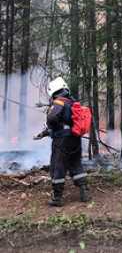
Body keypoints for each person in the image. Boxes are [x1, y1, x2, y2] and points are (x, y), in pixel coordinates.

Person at [34, 77, 90, 207]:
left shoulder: (59, 102)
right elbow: (66, 122)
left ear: (53, 91)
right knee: (75, 163)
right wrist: (44, 133)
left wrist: (49, 126)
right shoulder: (72, 102)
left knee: (57, 165)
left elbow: (53, 118)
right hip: (75, 138)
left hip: (62, 140)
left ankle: (57, 198)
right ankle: (84, 191)